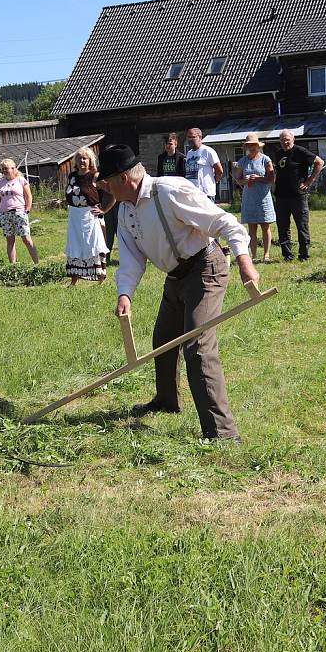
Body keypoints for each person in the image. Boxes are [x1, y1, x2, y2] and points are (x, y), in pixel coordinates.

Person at [98, 144, 258, 441]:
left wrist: (244, 261)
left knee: (197, 345)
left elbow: (224, 222)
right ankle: (167, 401)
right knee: (164, 339)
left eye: (105, 181)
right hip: (175, 276)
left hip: (205, 267)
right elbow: (132, 257)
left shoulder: (170, 191)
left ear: (122, 178)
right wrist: (125, 294)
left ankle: (222, 433)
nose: (103, 188)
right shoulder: (126, 210)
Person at [65, 146, 115, 283]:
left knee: (93, 245)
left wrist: (104, 209)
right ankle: (74, 280)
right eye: (79, 158)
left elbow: (112, 192)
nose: (82, 161)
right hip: (75, 217)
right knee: (75, 245)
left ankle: (100, 277)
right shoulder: (72, 177)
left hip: (90, 217)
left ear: (90, 160)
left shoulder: (95, 176)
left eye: (85, 158)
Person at [273, 130, 324, 262]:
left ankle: (304, 255)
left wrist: (309, 181)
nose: (285, 142)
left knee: (302, 226)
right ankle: (287, 255)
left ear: (293, 139)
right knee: (282, 226)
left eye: (287, 139)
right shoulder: (278, 154)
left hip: (298, 196)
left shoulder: (300, 151)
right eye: (282, 140)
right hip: (281, 196)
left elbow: (319, 162)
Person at [234, 133, 276, 263]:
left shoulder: (265, 159)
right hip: (249, 197)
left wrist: (259, 178)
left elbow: (271, 178)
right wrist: (244, 180)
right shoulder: (243, 161)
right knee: (251, 227)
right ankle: (254, 256)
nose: (251, 147)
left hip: (263, 196)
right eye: (249, 145)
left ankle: (266, 254)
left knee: (265, 226)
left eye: (254, 145)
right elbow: (238, 180)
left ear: (258, 146)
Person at [0, 159, 39, 265]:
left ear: (13, 169)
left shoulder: (21, 180)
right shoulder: (1, 182)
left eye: (6, 168)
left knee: (26, 239)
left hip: (19, 212)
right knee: (10, 240)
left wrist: (27, 210)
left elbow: (28, 196)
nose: (4, 171)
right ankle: (12, 266)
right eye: (3, 169)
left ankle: (37, 263)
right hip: (5, 214)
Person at [184, 127, 223, 202]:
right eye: (188, 137)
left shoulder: (208, 151)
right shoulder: (189, 153)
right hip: (192, 193)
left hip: (205, 193)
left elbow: (219, 170)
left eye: (192, 137)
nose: (189, 140)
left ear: (200, 137)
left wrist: (213, 182)